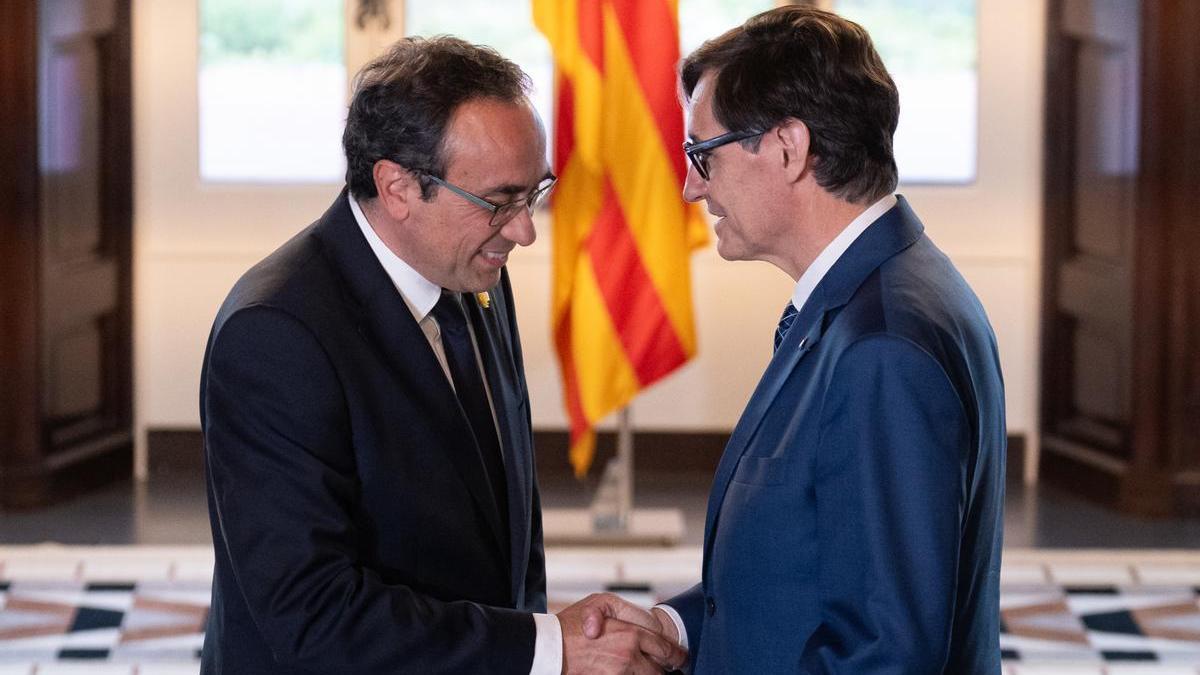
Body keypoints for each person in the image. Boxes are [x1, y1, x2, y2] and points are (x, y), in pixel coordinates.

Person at [199, 36, 685, 674]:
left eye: (533, 192)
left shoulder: (473, 272)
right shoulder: (276, 334)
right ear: (397, 186)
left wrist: (536, 645)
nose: (524, 230)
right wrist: (548, 649)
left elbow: (503, 523)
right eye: (499, 201)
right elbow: (311, 612)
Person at [586, 6, 1006, 672]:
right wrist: (671, 626)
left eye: (702, 154)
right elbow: (803, 569)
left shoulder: (884, 348)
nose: (692, 186)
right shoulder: (877, 291)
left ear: (788, 147)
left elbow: (885, 656)